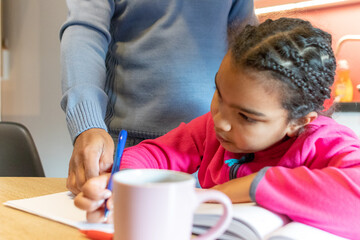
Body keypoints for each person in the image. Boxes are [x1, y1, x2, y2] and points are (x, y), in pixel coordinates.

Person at [74, 17, 360, 239]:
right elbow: (152, 155)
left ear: (299, 121)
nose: (221, 121)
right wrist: (116, 182)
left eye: (247, 117)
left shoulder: (326, 142)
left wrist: (256, 185)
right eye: (219, 95)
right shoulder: (210, 130)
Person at [60, 0, 258, 194]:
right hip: (129, 142)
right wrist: (88, 125)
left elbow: (246, 41)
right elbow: (84, 33)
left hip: (215, 145)